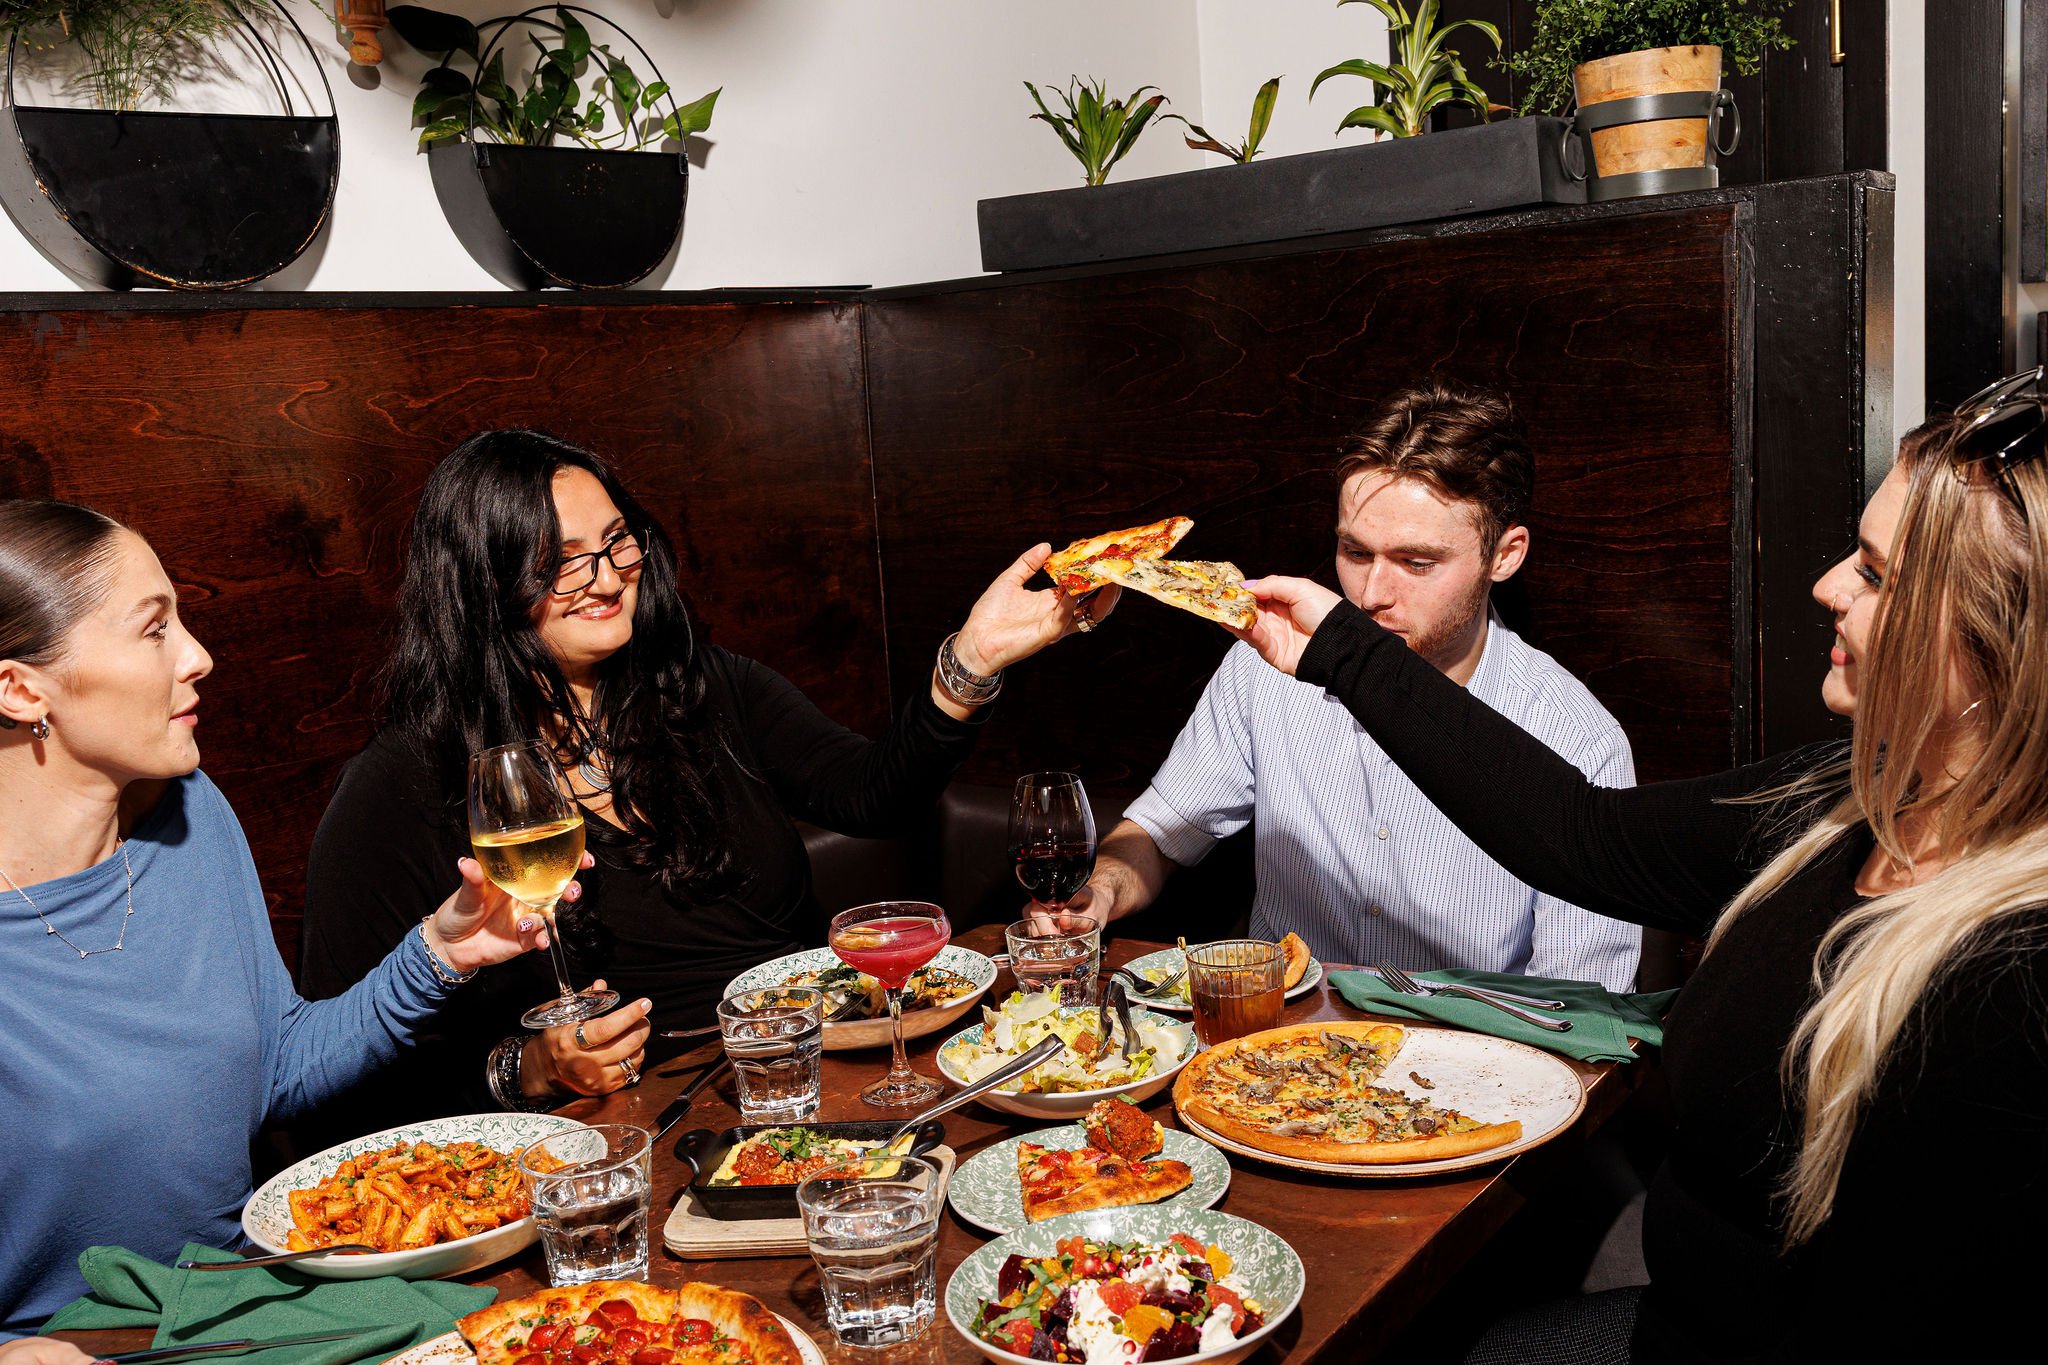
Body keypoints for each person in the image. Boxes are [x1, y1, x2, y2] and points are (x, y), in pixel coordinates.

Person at [1234, 371, 2048, 1361]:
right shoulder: (1845, 795)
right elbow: (1580, 834)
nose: (1827, 584)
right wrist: (1339, 649)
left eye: (1876, 575)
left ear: (2000, 638)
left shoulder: (2014, 969)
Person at [297, 429, 1101, 1127]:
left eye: (616, 542)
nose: (609, 578)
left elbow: (873, 793)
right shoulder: (401, 786)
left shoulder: (703, 684)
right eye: (563, 564)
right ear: (485, 587)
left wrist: (973, 658)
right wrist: (529, 1069)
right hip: (629, 1130)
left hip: (818, 1076)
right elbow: (344, 1074)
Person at [0, 501, 552, 1340]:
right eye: (154, 630)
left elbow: (277, 1067)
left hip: (255, 1307)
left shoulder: (190, 814)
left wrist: (444, 949)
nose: (199, 656)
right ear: (19, 687)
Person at [1072, 380, 1642, 990]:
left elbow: (1584, 1002)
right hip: (1273, 1049)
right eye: (1355, 552)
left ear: (1504, 555)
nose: (1370, 596)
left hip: (1470, 1065)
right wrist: (1101, 891)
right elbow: (1159, 833)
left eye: (1417, 563)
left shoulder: (1577, 736)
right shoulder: (1264, 670)